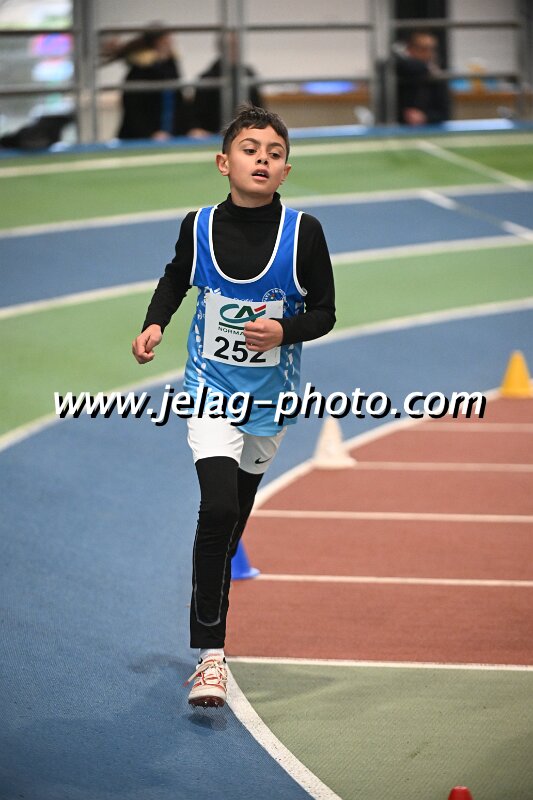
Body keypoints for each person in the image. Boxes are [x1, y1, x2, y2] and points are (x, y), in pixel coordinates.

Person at [131, 104, 335, 707]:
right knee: (217, 509)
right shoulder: (198, 226)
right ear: (224, 162)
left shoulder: (304, 233)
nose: (262, 160)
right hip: (210, 389)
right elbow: (176, 277)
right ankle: (210, 658)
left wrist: (284, 330)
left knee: (232, 522)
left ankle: (211, 621)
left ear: (286, 170)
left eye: (274, 153)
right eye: (250, 150)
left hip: (271, 401)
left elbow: (325, 312)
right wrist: (155, 323)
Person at [100, 24, 189, 140]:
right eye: (167, 39)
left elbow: (179, 101)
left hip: (169, 133)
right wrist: (150, 133)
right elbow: (133, 108)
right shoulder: (140, 69)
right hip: (140, 136)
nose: (171, 42)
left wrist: (190, 128)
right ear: (158, 42)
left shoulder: (170, 65)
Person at [189, 30, 263, 137]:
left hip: (246, 136)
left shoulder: (248, 75)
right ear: (220, 48)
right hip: (214, 138)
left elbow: (260, 111)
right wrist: (197, 130)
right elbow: (196, 121)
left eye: (236, 46)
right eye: (230, 46)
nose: (234, 50)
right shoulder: (207, 79)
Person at [394, 30, 450, 126]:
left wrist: (425, 117)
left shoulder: (437, 78)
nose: (429, 54)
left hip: (431, 128)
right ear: (410, 50)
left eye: (432, 49)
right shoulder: (399, 72)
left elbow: (445, 114)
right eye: (423, 49)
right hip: (401, 128)